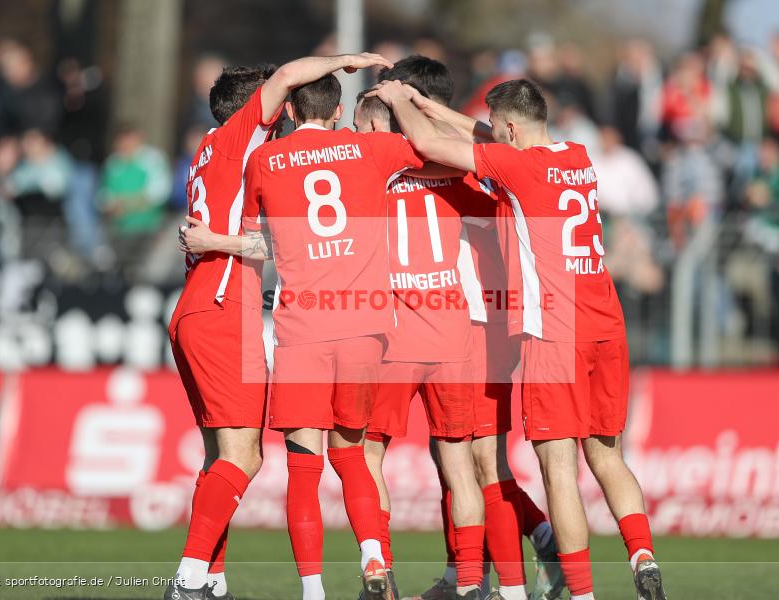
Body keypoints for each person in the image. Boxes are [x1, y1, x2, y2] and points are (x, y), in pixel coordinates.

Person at [369, 77, 667, 600]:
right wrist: (428, 103)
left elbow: (433, 146)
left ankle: (581, 594)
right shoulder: (575, 155)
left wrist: (398, 101)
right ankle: (642, 556)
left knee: (559, 470)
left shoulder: (519, 167)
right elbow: (486, 138)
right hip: (606, 322)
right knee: (608, 457)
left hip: (556, 330)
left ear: (510, 127)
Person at [242, 70, 488, 600]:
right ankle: (468, 581)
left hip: (350, 333)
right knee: (447, 463)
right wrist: (416, 105)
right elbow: (473, 148)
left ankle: (335, 585)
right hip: (424, 333)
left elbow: (259, 236)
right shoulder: (397, 159)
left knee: (319, 464)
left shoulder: (280, 159)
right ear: (333, 112)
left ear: (289, 112)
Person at [167, 52, 393, 600]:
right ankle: (188, 577)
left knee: (217, 456)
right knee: (245, 455)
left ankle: (212, 581)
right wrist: (348, 60)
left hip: (193, 308)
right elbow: (289, 77)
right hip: (225, 308)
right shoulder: (244, 139)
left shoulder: (206, 150)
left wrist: (216, 240)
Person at [365, 56, 563, 600]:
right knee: (455, 454)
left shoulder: (441, 169)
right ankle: (469, 574)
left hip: (474, 326)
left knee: (477, 459)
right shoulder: (484, 164)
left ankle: (514, 573)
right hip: (476, 325)